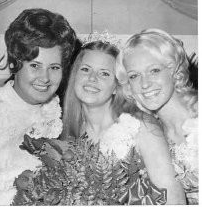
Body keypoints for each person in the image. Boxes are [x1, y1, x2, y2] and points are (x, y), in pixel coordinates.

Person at [61, 32, 186, 205]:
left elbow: (175, 201)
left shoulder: (141, 126)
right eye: (85, 69)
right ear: (75, 76)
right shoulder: (66, 133)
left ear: (116, 86)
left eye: (104, 73)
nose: (92, 78)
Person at [0, 8, 77, 205]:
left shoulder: (62, 110)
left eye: (54, 68)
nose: (45, 78)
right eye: (35, 65)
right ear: (15, 63)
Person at [116, 28, 198, 204]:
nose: (145, 84)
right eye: (134, 76)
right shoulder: (148, 133)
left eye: (154, 70)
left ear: (173, 70)